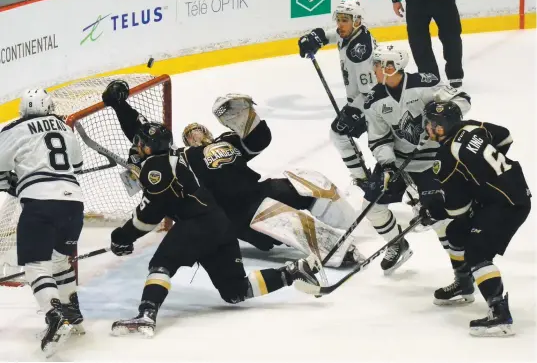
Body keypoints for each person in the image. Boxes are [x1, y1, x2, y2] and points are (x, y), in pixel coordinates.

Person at [101, 81, 364, 268]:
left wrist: (246, 117)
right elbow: (145, 133)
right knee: (285, 219)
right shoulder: (179, 161)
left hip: (260, 190)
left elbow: (260, 139)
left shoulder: (228, 142)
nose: (196, 135)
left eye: (199, 130)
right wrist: (120, 106)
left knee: (307, 181)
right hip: (237, 214)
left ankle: (352, 221)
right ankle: (341, 251)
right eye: (189, 134)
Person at [109, 122, 320, 337]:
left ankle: (146, 314)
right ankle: (295, 272)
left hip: (198, 223)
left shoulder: (156, 167)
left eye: (140, 143)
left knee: (162, 264)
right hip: (221, 225)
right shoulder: (170, 160)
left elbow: (148, 216)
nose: (137, 146)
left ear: (149, 146)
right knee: (235, 291)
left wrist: (121, 237)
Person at [414, 101, 531, 336]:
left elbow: (458, 209)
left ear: (445, 126)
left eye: (433, 124)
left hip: (506, 204)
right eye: (428, 123)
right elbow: (504, 137)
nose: (428, 128)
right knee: (456, 232)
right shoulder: (471, 127)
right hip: (512, 187)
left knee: (477, 253)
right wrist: (482, 173)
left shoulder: (446, 157)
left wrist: (435, 210)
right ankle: (464, 284)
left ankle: (499, 314)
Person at [360, 45, 471, 274]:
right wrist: (388, 165)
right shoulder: (374, 99)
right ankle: (397, 244)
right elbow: (379, 138)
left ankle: (464, 269)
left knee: (438, 217)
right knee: (372, 208)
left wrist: (444, 116)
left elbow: (463, 99)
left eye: (379, 64)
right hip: (399, 160)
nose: (375, 68)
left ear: (392, 67)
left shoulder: (425, 83)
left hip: (432, 159)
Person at [0, 89, 85, 357]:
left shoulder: (13, 130)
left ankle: (54, 315)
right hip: (74, 203)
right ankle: (73, 313)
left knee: (36, 267)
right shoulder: (64, 126)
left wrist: (12, 182)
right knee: (60, 260)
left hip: (39, 203)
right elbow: (78, 165)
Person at [298, 0, 376, 189]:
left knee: (345, 135)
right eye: (339, 19)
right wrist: (315, 38)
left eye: (344, 20)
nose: (340, 25)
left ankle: (366, 179)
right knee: (340, 133)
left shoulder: (360, 52)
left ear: (356, 21)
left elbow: (370, 93)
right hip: (364, 101)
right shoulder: (351, 33)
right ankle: (364, 178)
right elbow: (332, 35)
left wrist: (354, 112)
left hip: (373, 105)